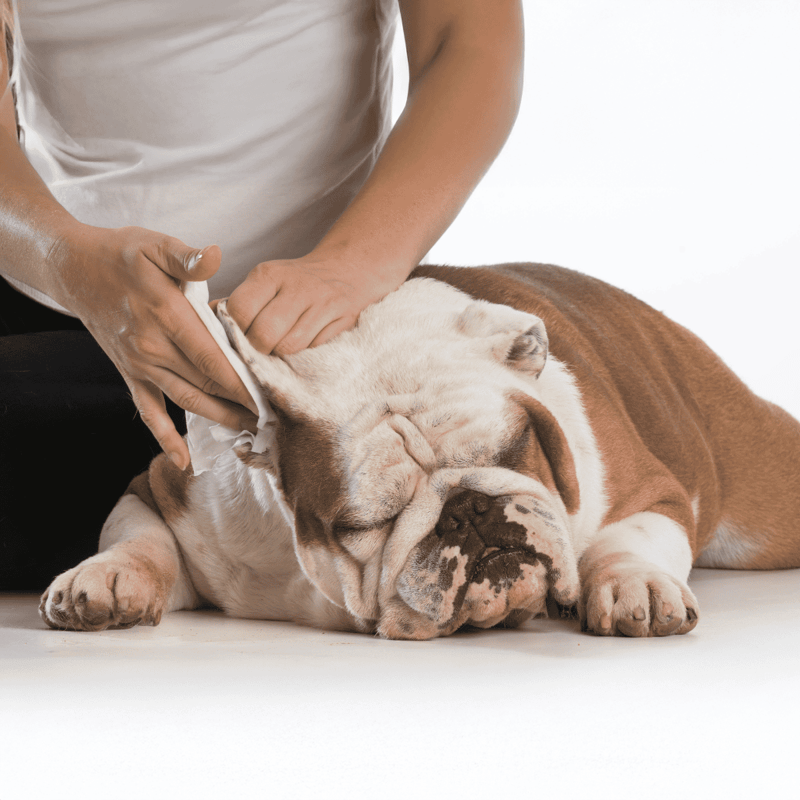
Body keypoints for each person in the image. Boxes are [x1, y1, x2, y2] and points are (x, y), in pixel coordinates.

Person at [0, 0, 524, 588]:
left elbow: (469, 44)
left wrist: (350, 267)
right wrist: (65, 260)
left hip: (304, 326)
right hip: (45, 282)